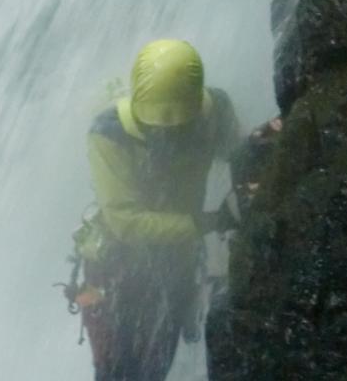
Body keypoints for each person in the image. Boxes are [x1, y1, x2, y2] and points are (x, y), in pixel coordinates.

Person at [79, 39, 242, 381]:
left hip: (176, 258)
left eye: (179, 128)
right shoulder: (109, 135)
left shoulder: (215, 113)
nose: (169, 136)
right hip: (119, 266)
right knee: (123, 369)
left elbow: (239, 157)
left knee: (156, 359)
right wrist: (209, 222)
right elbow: (123, 221)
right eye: (158, 129)